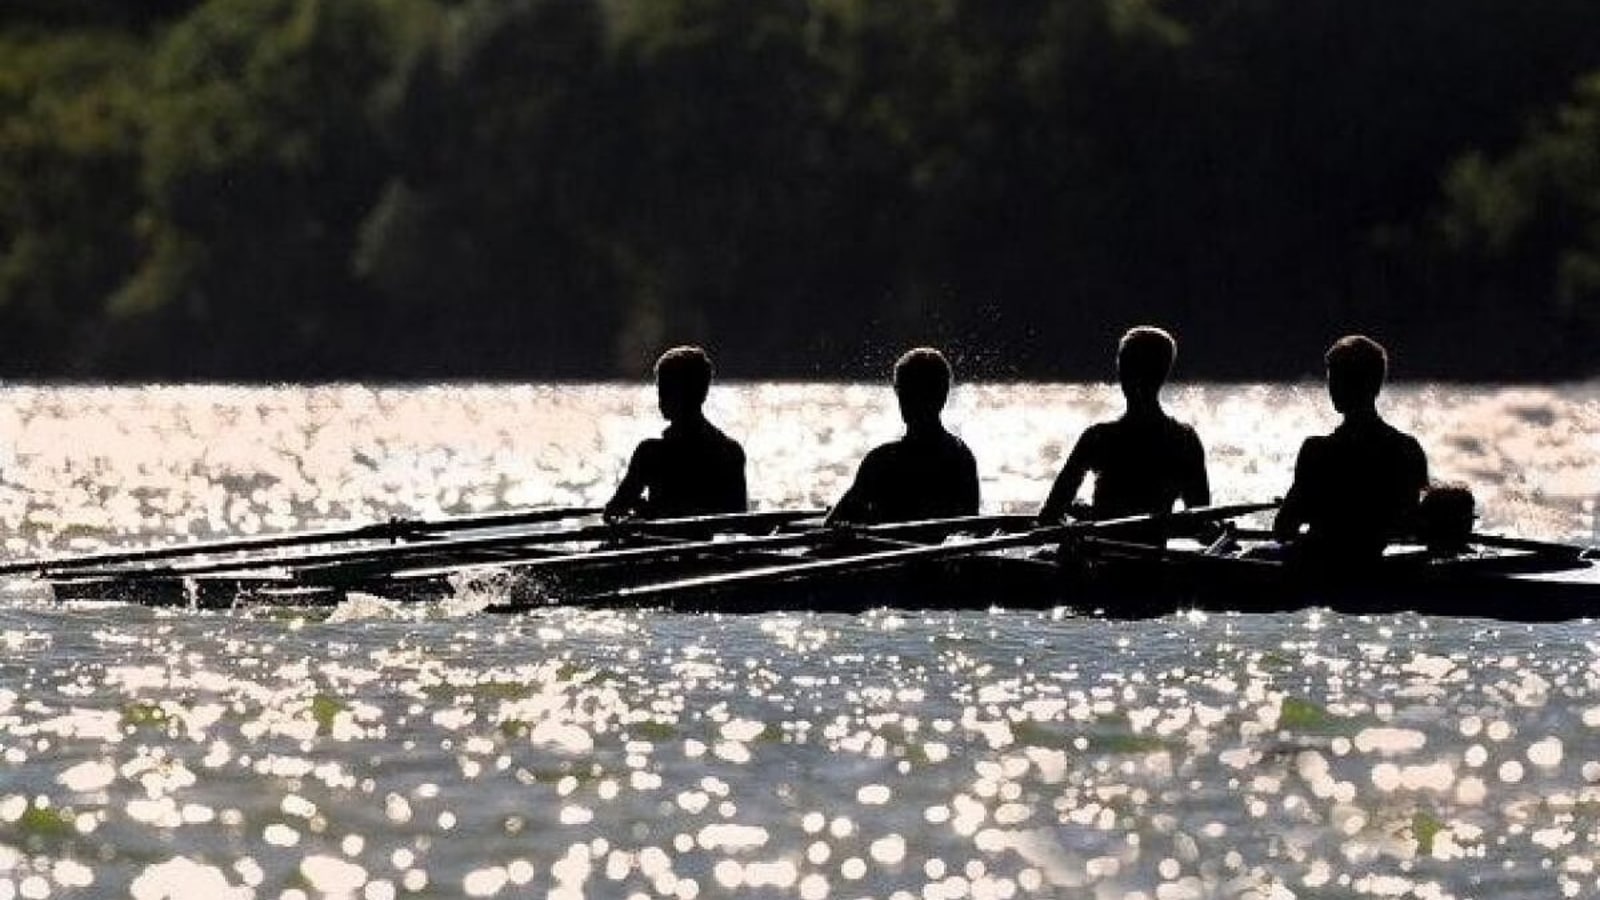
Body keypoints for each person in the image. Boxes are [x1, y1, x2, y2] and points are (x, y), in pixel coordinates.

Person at [1037, 326, 1210, 539]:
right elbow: (1199, 524)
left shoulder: (1098, 438)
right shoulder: (1184, 440)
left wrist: (1087, 517)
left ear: (1122, 372)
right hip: (1153, 562)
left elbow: (1048, 517)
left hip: (1101, 564)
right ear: (1163, 374)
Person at [1272, 334, 1429, 564]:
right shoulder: (1408, 448)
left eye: (1337, 379)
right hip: (1376, 568)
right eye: (1332, 379)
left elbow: (1283, 529)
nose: (1332, 388)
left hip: (1323, 567)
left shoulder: (1316, 450)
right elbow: (1410, 527)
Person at [825, 347, 979, 525]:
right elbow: (972, 527)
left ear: (941, 396)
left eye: (912, 391)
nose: (907, 400)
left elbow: (830, 525)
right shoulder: (962, 456)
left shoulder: (881, 461)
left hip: (886, 551)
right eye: (904, 391)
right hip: (936, 551)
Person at [605, 346, 747, 521]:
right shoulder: (731, 451)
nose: (661, 399)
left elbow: (613, 511)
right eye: (661, 390)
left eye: (666, 390)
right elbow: (739, 517)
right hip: (704, 545)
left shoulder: (650, 452)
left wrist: (644, 508)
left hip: (657, 545)